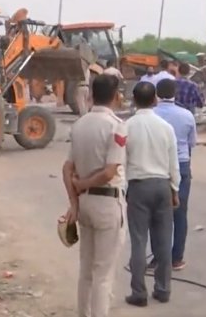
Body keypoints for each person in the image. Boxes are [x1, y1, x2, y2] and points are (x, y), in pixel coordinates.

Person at [62, 74, 126, 317]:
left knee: (86, 270)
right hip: (108, 203)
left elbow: (67, 168)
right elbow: (110, 172)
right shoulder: (117, 126)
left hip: (85, 204)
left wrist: (74, 201)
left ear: (90, 96)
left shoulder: (79, 125)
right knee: (103, 275)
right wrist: (84, 185)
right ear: (116, 97)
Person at [122, 82, 180, 307]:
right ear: (155, 99)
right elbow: (173, 163)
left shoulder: (127, 127)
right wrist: (174, 189)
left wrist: (124, 190)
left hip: (138, 186)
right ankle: (163, 289)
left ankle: (139, 293)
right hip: (162, 185)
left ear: (134, 100)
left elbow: (121, 162)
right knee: (164, 241)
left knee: (138, 241)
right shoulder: (165, 127)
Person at [153, 79, 197, 271]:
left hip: (157, 165)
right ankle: (176, 258)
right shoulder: (186, 115)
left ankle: (158, 258)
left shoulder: (151, 115)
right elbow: (191, 143)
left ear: (156, 94)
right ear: (175, 94)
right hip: (181, 164)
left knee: (157, 214)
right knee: (179, 213)